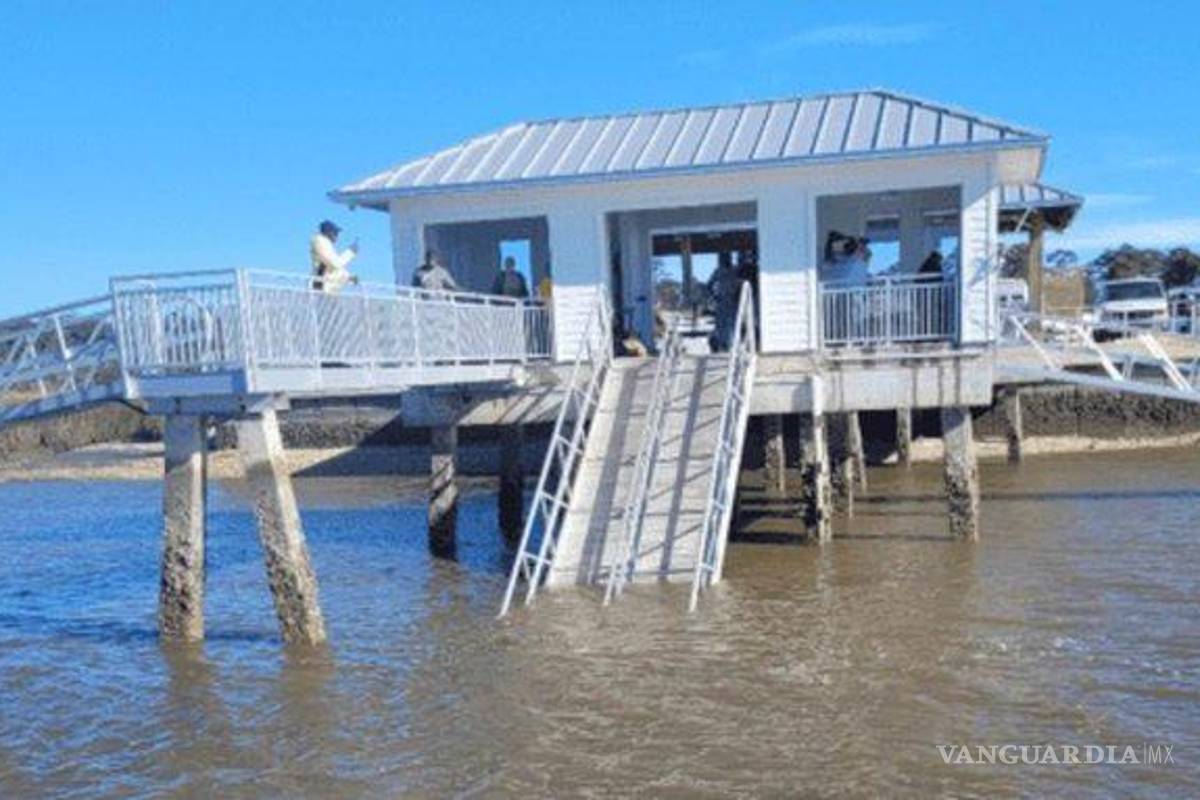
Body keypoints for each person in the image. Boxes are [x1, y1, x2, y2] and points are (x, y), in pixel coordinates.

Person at [310, 220, 359, 292]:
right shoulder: (321, 243)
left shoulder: (325, 244)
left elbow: (334, 270)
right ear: (328, 232)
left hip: (326, 288)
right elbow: (335, 264)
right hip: (321, 287)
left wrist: (349, 278)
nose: (337, 235)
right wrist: (350, 252)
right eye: (335, 233)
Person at [707, 254, 742, 353]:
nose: (726, 260)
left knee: (732, 323)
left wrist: (737, 295)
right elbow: (709, 285)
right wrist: (715, 296)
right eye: (724, 258)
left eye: (728, 258)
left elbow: (741, 284)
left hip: (732, 301)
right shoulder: (718, 271)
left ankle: (731, 345)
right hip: (722, 301)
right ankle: (722, 345)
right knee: (721, 324)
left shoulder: (735, 270)